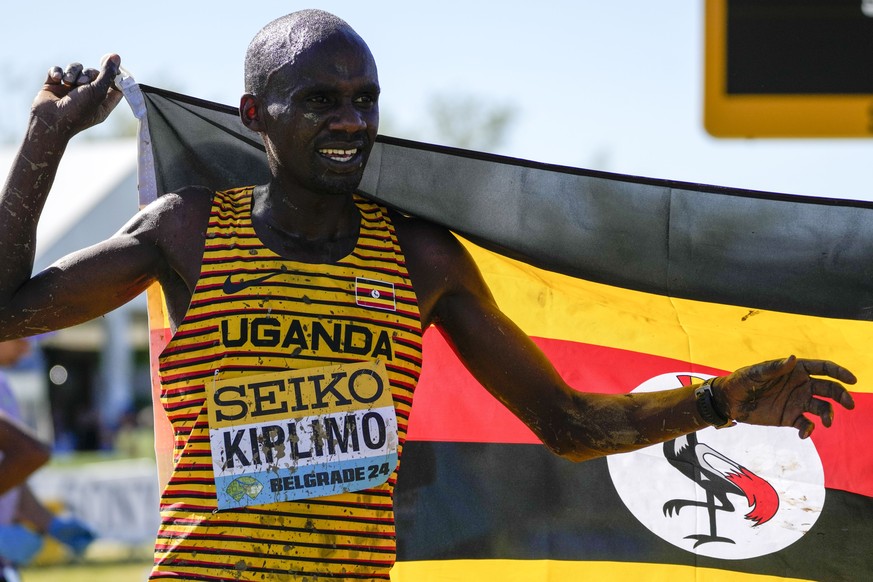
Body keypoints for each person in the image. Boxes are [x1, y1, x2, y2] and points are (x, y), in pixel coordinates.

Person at [0, 9, 857, 581]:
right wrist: (42, 142)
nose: (351, 122)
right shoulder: (185, 231)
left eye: (364, 101)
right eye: (321, 101)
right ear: (257, 115)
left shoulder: (419, 258)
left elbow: (567, 425)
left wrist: (716, 400)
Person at [0, 339, 94, 580]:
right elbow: (30, 455)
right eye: (19, 336)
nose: (27, 348)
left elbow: (12, 478)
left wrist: (50, 523)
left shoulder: (4, 385)